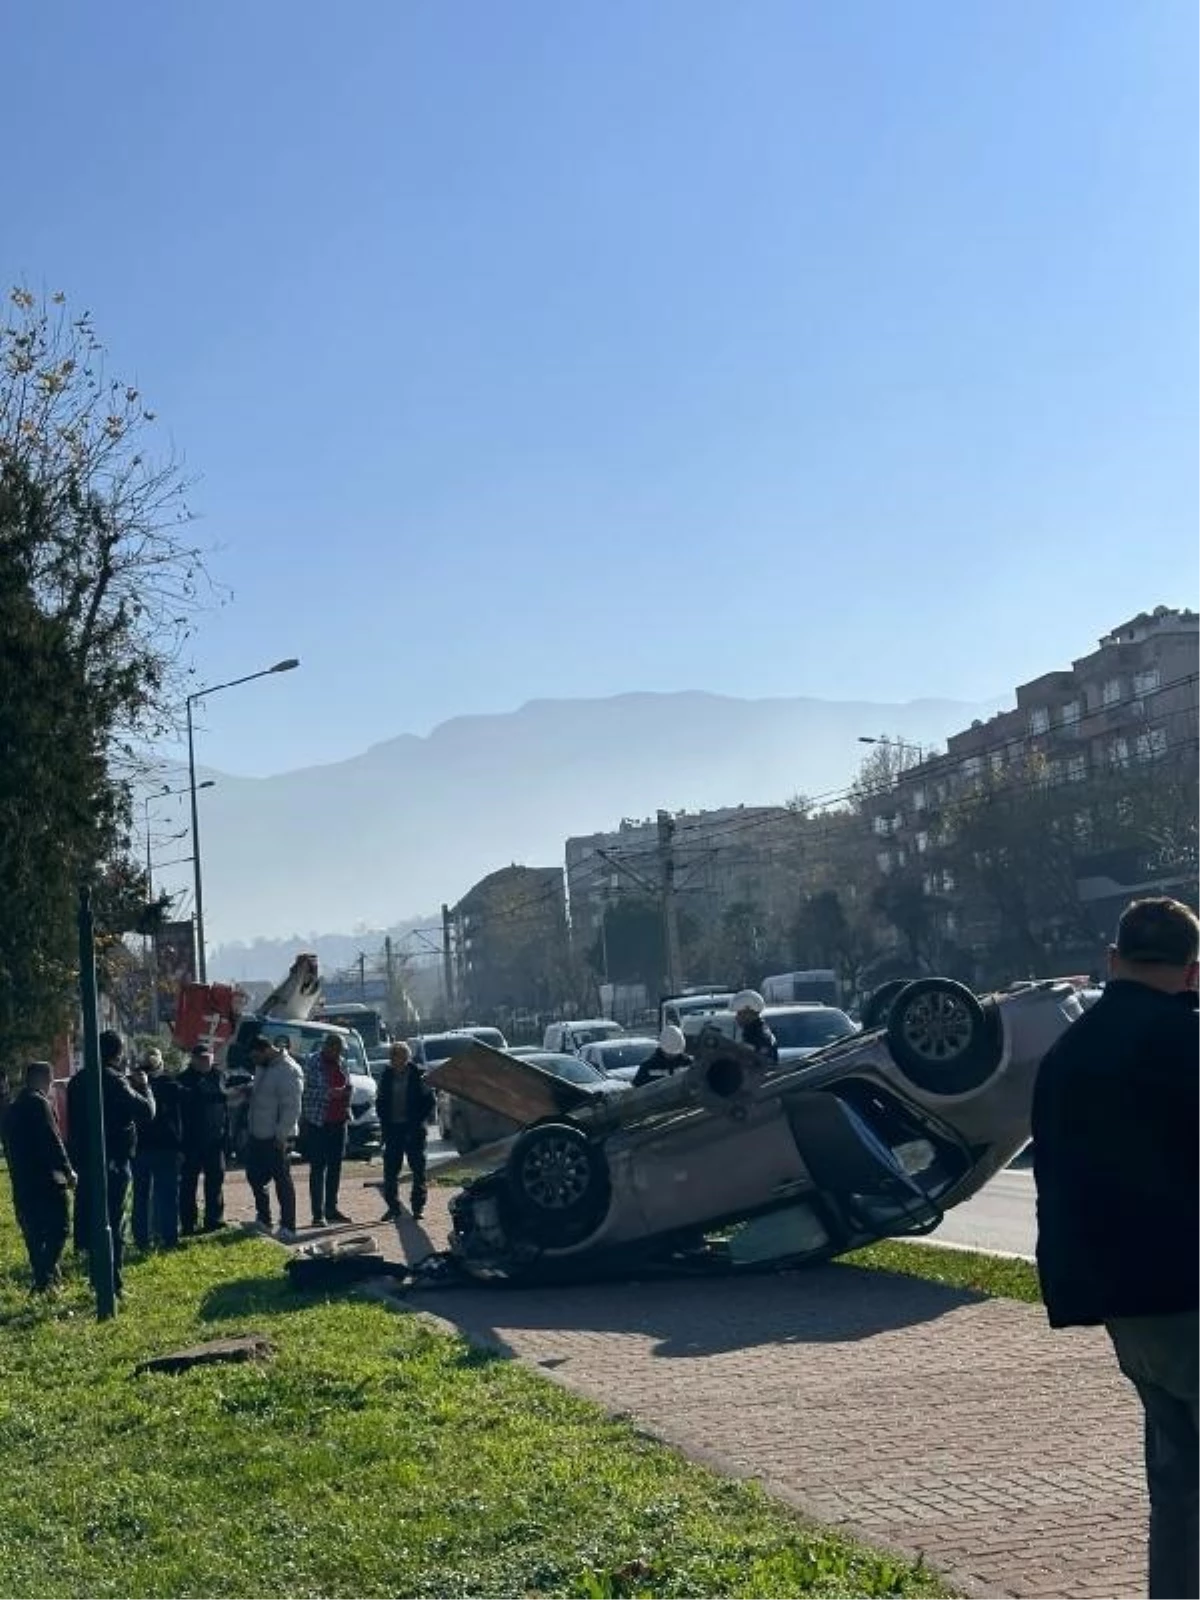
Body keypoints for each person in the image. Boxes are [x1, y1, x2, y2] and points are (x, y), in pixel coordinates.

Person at [1032, 897, 1200, 1599]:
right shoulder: (1187, 1043)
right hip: (1191, 1286)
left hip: (1122, 1301)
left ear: (1112, 961)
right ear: (1193, 971)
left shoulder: (1066, 1054)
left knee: (1178, 1482)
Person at [66, 1031, 155, 1297]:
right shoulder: (115, 1081)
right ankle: (112, 1283)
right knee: (115, 1222)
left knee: (95, 1219)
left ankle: (97, 1278)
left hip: (86, 1160)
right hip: (115, 1159)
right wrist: (144, 1087)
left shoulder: (78, 1081)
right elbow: (146, 1111)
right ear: (117, 1053)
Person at [2, 1062, 76, 1292]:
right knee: (60, 1228)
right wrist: (67, 1170)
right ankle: (45, 1277)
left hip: (22, 1180)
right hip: (46, 1178)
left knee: (34, 1234)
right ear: (47, 1079)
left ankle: (46, 1280)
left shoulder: (13, 1107)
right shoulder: (39, 1103)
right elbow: (52, 1140)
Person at [245, 1035, 303, 1241]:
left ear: (266, 1050)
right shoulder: (263, 1066)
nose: (254, 1062)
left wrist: (282, 1135)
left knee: (282, 1181)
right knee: (254, 1176)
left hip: (278, 1137)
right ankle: (264, 1219)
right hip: (257, 1134)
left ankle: (288, 1226)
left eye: (255, 1057)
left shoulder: (289, 1070)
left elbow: (292, 1107)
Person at [131, 1048, 183, 1252]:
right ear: (161, 1064)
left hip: (141, 1146)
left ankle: (142, 1239)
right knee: (167, 1195)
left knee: (140, 1196)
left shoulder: (132, 1086)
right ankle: (169, 1238)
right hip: (166, 1146)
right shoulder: (171, 1085)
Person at [376, 1041, 435, 1221]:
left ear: (407, 1058)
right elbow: (380, 1100)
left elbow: (429, 1101)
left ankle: (418, 1206)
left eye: (402, 1057)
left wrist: (418, 1121)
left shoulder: (418, 1075)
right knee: (390, 1170)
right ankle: (393, 1207)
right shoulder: (386, 1076)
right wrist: (383, 1120)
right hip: (393, 1128)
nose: (398, 1061)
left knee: (418, 1168)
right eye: (395, 1057)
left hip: (414, 1128)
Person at [300, 1033, 353, 1226]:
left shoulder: (342, 1063)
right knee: (318, 1168)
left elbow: (347, 1084)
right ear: (327, 1047)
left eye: (340, 1051)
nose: (338, 1054)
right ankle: (318, 1214)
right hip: (318, 1122)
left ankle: (331, 1209)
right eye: (336, 1050)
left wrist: (347, 1092)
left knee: (335, 1167)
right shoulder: (312, 1063)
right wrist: (329, 1093)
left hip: (339, 1121)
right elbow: (305, 1090)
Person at [177, 1044, 228, 1235]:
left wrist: (226, 1136)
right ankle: (188, 1223)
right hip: (190, 1141)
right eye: (201, 1058)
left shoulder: (220, 1076)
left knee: (215, 1180)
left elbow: (225, 1107)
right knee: (188, 1183)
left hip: (215, 1140)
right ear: (193, 1059)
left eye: (208, 1058)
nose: (205, 1061)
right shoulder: (183, 1079)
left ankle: (214, 1220)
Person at [732, 991, 779, 1063]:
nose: (737, 1017)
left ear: (749, 1013)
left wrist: (749, 1048)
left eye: (740, 1013)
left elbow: (766, 1058)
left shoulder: (761, 1033)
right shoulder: (752, 1031)